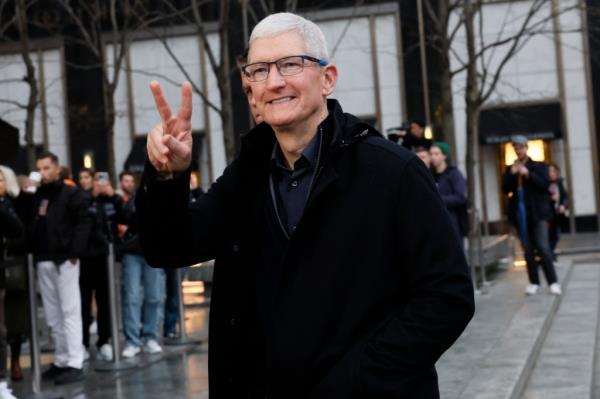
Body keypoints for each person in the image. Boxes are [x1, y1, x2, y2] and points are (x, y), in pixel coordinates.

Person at [137, 13, 474, 398]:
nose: (275, 81)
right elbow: (169, 246)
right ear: (251, 92)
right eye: (259, 70)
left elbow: (447, 298)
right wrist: (168, 178)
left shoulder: (393, 172)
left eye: (290, 64)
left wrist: (358, 379)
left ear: (328, 78)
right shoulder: (246, 176)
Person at [21, 152, 91, 385]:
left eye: (47, 168)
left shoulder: (70, 193)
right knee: (53, 314)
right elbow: (23, 218)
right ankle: (62, 359)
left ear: (57, 168)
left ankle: (74, 361)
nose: (43, 172)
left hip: (64, 259)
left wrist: (74, 253)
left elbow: (83, 222)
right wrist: (26, 192)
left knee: (69, 311)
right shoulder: (38, 195)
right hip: (44, 258)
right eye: (39, 168)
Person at [503, 135, 561, 296]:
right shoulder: (510, 168)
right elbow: (504, 189)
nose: (518, 150)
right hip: (521, 216)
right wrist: (512, 174)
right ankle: (534, 282)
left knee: (543, 247)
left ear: (526, 148)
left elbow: (544, 185)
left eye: (520, 147)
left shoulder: (539, 166)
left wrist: (528, 174)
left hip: (539, 214)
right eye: (515, 148)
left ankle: (553, 282)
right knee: (527, 249)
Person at [80, 172, 126, 361]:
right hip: (85, 257)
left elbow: (125, 217)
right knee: (83, 302)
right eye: (95, 182)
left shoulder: (112, 201)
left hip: (104, 257)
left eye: (102, 181)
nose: (99, 185)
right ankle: (82, 343)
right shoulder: (83, 200)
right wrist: (92, 197)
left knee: (105, 301)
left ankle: (104, 340)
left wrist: (113, 196)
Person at [119, 176, 165, 358]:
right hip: (133, 251)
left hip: (153, 251)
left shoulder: (162, 198)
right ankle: (132, 340)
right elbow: (126, 217)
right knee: (131, 297)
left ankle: (150, 336)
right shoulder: (132, 199)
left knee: (154, 296)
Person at [0, 166, 23, 399]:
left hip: (7, 276)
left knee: (2, 330)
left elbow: (17, 230)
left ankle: (1, 381)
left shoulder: (8, 204)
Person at [430, 142, 467, 239]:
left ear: (444, 156)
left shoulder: (454, 174)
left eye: (436, 154)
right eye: (431, 154)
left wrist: (438, 200)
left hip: (452, 222)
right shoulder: (430, 175)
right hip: (435, 222)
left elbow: (460, 197)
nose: (433, 157)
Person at [548, 163, 567, 256]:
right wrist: (550, 199)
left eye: (554, 171)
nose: (552, 173)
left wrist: (563, 205)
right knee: (550, 237)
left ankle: (550, 255)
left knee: (557, 236)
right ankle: (549, 256)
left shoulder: (559, 183)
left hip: (558, 215)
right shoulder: (544, 184)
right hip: (548, 216)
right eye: (550, 171)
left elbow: (565, 196)